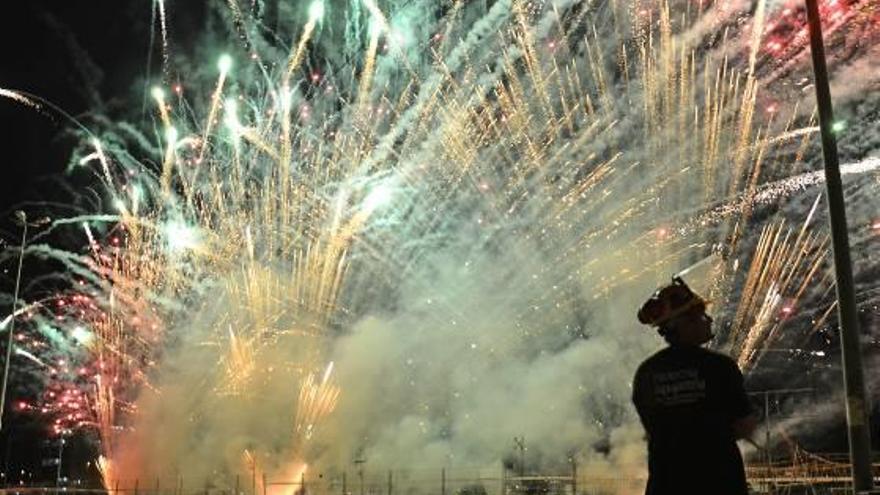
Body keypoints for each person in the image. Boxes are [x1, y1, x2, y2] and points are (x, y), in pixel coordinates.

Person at [632, 277, 757, 495]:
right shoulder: (720, 367)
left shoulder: (646, 372)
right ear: (684, 323)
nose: (708, 319)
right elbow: (744, 425)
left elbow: (653, 430)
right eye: (700, 315)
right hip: (719, 484)